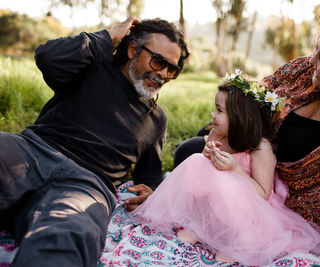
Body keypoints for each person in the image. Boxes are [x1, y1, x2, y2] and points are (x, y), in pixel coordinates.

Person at [174, 7, 320, 265]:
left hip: (275, 196)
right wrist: (214, 138)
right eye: (316, 48)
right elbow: (246, 106)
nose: (312, 60)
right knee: (187, 152)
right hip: (245, 159)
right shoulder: (302, 73)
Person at [0, 17, 189, 266]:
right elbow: (48, 57)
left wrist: (150, 190)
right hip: (33, 151)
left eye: (172, 69)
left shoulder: (157, 119)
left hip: (87, 186)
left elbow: (150, 174)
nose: (163, 74)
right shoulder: (91, 67)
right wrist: (109, 35)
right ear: (133, 49)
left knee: (68, 236)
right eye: (159, 61)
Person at [129, 72, 320, 266]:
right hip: (217, 206)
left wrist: (234, 169)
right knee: (196, 161)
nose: (212, 114)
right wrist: (208, 154)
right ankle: (200, 226)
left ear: (240, 118)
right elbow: (205, 170)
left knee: (225, 183)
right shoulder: (218, 135)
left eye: (219, 110)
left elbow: (262, 193)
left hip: (250, 212)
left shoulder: (261, 148)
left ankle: (237, 243)